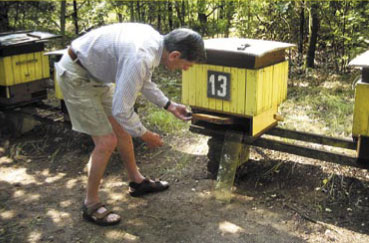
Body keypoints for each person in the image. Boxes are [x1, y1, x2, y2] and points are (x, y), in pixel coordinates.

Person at [55, 23, 205, 226]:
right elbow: (121, 109)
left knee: (122, 131)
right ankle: (90, 204)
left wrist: (169, 105)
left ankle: (137, 181)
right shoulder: (141, 55)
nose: (186, 69)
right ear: (174, 55)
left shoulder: (154, 43)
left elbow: (143, 82)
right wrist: (144, 134)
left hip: (95, 75)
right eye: (188, 64)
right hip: (76, 75)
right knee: (107, 142)